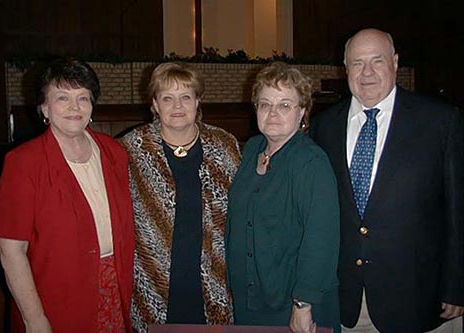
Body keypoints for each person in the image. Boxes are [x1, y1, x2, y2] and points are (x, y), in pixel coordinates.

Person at [310, 28, 464, 333]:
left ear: (394, 62)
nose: (366, 72)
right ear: (345, 69)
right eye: (357, 63)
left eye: (377, 61)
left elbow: (458, 209)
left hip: (419, 297)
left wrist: (457, 283)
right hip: (346, 300)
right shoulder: (324, 127)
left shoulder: (440, 121)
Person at [0, 59, 135, 333]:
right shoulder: (24, 163)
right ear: (44, 108)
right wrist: (34, 318)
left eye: (83, 98)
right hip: (53, 299)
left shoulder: (114, 153)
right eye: (62, 98)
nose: (74, 107)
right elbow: (10, 250)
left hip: (114, 290)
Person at [119, 62, 241, 333]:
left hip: (215, 278)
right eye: (167, 98)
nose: (177, 106)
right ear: (154, 103)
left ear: (198, 101)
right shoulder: (132, 149)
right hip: (153, 281)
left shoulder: (223, 145)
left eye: (186, 97)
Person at [226, 61, 341, 333]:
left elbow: (321, 238)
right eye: (265, 104)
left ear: (303, 111)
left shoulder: (311, 162)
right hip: (250, 297)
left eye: (285, 105)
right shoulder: (253, 148)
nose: (273, 113)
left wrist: (303, 303)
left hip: (293, 301)